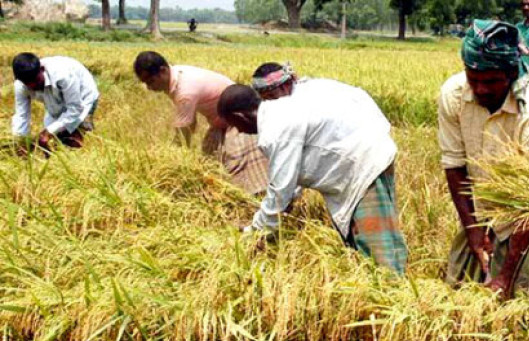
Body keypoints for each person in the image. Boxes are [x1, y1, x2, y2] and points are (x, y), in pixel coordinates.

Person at [216, 80, 408, 274]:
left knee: (376, 241)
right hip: (363, 157)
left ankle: (392, 291)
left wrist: (257, 230)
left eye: (235, 125)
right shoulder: (280, 111)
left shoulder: (275, 128)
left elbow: (280, 187)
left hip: (362, 162)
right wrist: (287, 201)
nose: (239, 131)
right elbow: (294, 173)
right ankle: (386, 285)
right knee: (367, 235)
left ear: (239, 116)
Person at [438, 20, 529, 306]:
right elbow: (455, 165)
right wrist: (473, 232)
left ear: (510, 74)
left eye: (492, 81)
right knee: (457, 289)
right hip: (483, 200)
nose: (480, 89)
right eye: (474, 78)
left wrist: (505, 277)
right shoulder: (453, 94)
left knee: (521, 300)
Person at [133, 51, 268, 196]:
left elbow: (183, 133)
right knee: (211, 162)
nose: (149, 87)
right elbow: (190, 123)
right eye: (145, 83)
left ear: (163, 71)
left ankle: (253, 195)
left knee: (237, 162)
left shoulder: (185, 91)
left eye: (150, 81)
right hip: (220, 122)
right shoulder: (177, 75)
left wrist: (171, 159)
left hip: (238, 120)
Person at [11, 52, 99, 156]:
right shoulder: (21, 86)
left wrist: (49, 132)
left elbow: (75, 109)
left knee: (73, 140)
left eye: (36, 81)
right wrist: (21, 141)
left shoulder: (63, 75)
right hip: (54, 103)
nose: (33, 86)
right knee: (56, 141)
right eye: (28, 84)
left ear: (42, 70)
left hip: (83, 98)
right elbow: (22, 115)